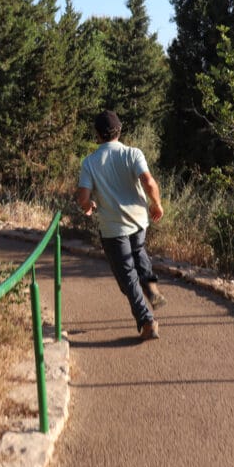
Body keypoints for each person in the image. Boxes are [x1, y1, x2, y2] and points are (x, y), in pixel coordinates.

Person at [75, 110, 167, 340]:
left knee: (127, 276)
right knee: (138, 251)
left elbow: (82, 197)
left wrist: (88, 206)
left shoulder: (90, 162)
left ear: (97, 134)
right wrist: (156, 204)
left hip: (113, 228)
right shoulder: (133, 153)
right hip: (138, 221)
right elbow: (148, 181)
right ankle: (150, 284)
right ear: (119, 130)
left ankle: (147, 321)